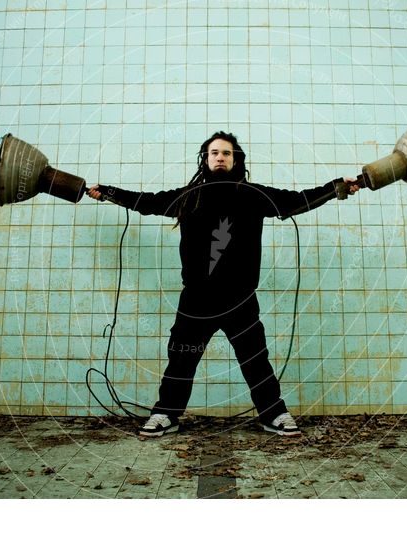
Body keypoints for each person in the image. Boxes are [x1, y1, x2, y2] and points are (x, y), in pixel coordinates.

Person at [87, 131, 359, 437]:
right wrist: (109, 192)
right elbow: (148, 202)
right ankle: (166, 414)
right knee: (181, 358)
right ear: (205, 159)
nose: (220, 157)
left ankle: (274, 413)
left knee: (255, 360)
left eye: (226, 153)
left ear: (236, 159)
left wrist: (336, 188)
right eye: (214, 152)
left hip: (239, 299)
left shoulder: (253, 195)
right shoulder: (189, 196)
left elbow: (295, 201)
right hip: (197, 299)